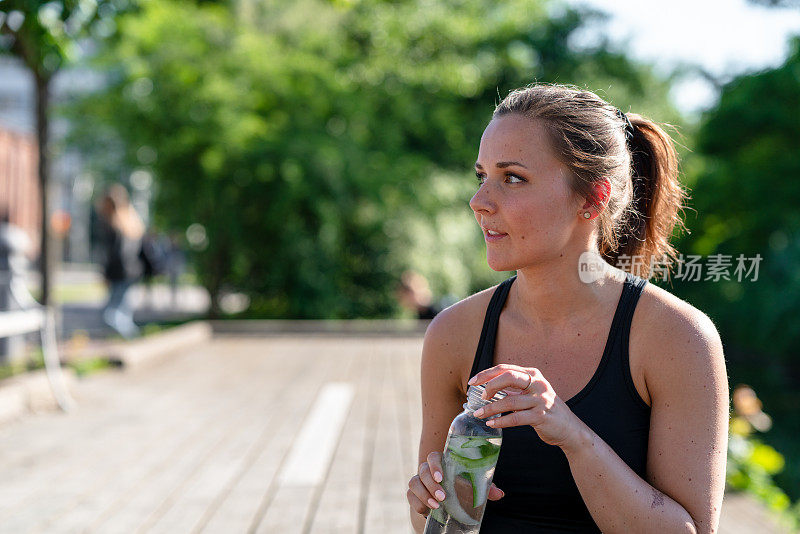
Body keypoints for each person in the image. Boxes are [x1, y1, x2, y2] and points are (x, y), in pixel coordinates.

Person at [406, 84, 728, 533]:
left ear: (593, 198)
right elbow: (434, 525)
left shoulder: (677, 337)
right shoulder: (453, 333)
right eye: (481, 176)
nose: (479, 201)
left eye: (512, 178)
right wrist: (429, 502)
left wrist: (571, 435)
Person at [96, 184, 145, 339]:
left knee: (110, 315)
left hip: (120, 274)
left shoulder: (116, 224)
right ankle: (135, 338)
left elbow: (117, 255)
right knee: (124, 313)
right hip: (132, 273)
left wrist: (107, 275)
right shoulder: (132, 220)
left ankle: (135, 338)